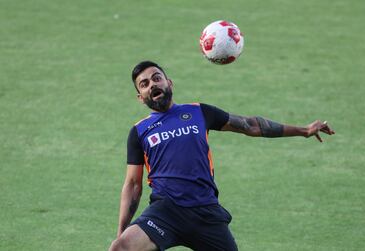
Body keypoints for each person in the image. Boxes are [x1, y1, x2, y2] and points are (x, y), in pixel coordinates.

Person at [108, 61, 335, 251]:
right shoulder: (139, 132)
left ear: (169, 83)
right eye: (144, 84)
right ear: (141, 97)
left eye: (156, 78)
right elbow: (133, 185)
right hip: (166, 212)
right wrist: (121, 233)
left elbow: (250, 125)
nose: (152, 85)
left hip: (205, 212)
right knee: (120, 249)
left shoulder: (198, 112)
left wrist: (303, 130)